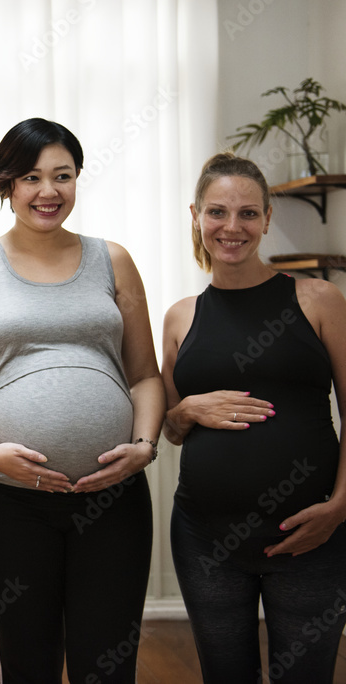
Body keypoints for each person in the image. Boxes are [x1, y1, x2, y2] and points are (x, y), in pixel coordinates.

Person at [0, 117, 165, 683]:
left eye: (62, 176)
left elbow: (145, 376)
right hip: (8, 500)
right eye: (31, 177)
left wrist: (144, 445)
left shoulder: (112, 259)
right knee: (28, 660)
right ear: (6, 184)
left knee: (108, 662)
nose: (48, 192)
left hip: (112, 496)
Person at [161, 152, 346, 683]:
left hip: (310, 535)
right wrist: (186, 408)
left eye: (248, 213)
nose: (232, 227)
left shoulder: (318, 299)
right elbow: (172, 428)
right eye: (217, 212)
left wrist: (339, 507)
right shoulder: (181, 317)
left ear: (267, 219)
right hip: (206, 539)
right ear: (196, 215)